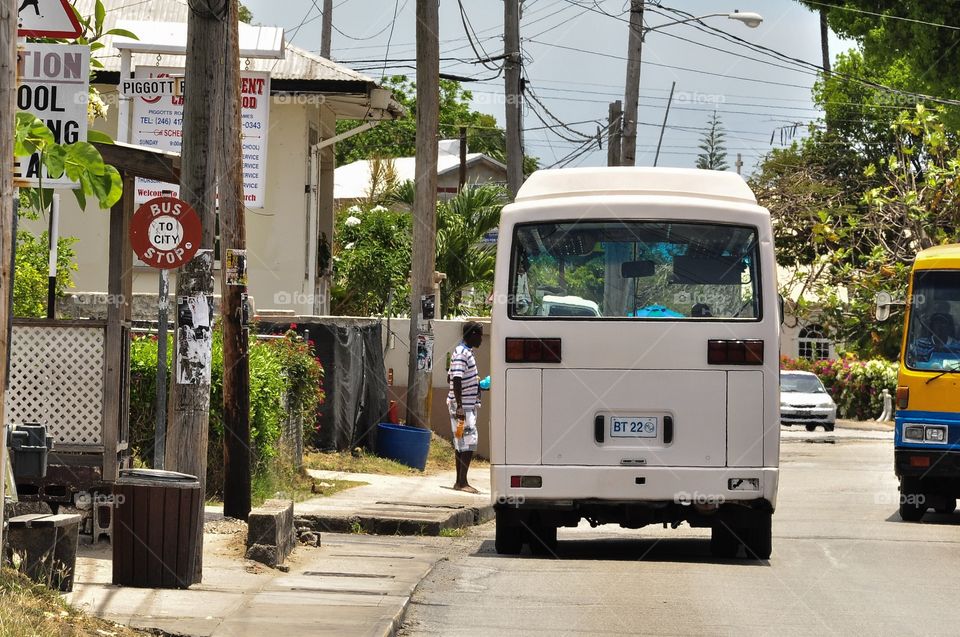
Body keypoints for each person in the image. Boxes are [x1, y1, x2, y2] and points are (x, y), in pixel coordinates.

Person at [447, 321, 483, 493]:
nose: (481, 339)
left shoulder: (465, 352)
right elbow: (456, 379)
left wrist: (478, 385)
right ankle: (462, 482)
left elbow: (453, 377)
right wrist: (460, 406)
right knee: (468, 441)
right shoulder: (462, 353)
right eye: (480, 335)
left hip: (464, 406)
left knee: (461, 442)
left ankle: (459, 481)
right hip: (463, 408)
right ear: (473, 334)